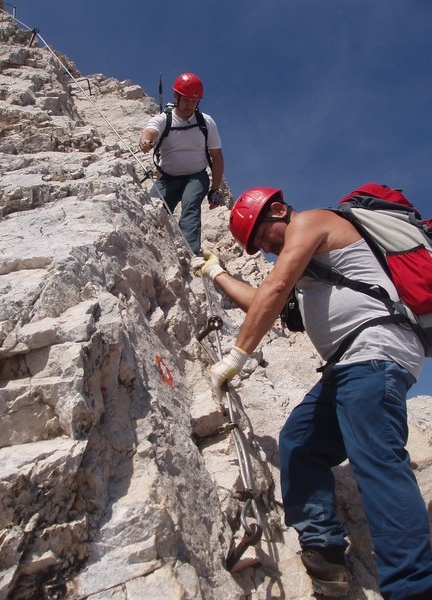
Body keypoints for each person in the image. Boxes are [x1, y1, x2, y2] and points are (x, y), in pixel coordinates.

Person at [191, 186, 432, 600]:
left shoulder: (312, 221)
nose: (267, 250)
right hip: (348, 367)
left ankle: (413, 586)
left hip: (374, 354)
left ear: (280, 209)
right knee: (300, 443)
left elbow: (275, 285)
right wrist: (217, 274)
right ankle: (326, 556)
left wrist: (235, 358)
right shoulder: (310, 277)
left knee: (376, 458)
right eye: (261, 248)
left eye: (267, 239)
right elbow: (262, 301)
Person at [139, 72, 224, 255]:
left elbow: (216, 157)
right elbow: (150, 131)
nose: (190, 106)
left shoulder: (205, 122)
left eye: (194, 102)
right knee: (150, 209)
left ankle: (190, 252)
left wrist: (215, 190)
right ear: (176, 96)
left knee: (191, 205)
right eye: (186, 100)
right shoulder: (164, 119)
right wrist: (146, 141)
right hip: (169, 178)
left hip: (196, 176)